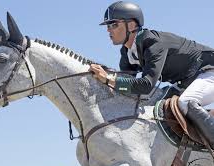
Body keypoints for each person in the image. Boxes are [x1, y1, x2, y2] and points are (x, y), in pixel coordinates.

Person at [89, 1, 214, 147]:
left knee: (185, 102)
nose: (109, 30)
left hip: (209, 71)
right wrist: (104, 79)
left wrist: (109, 79)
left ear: (131, 25)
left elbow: (146, 85)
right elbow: (127, 85)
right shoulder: (127, 52)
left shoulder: (152, 42)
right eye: (108, 26)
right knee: (158, 108)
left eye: (114, 25)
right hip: (187, 81)